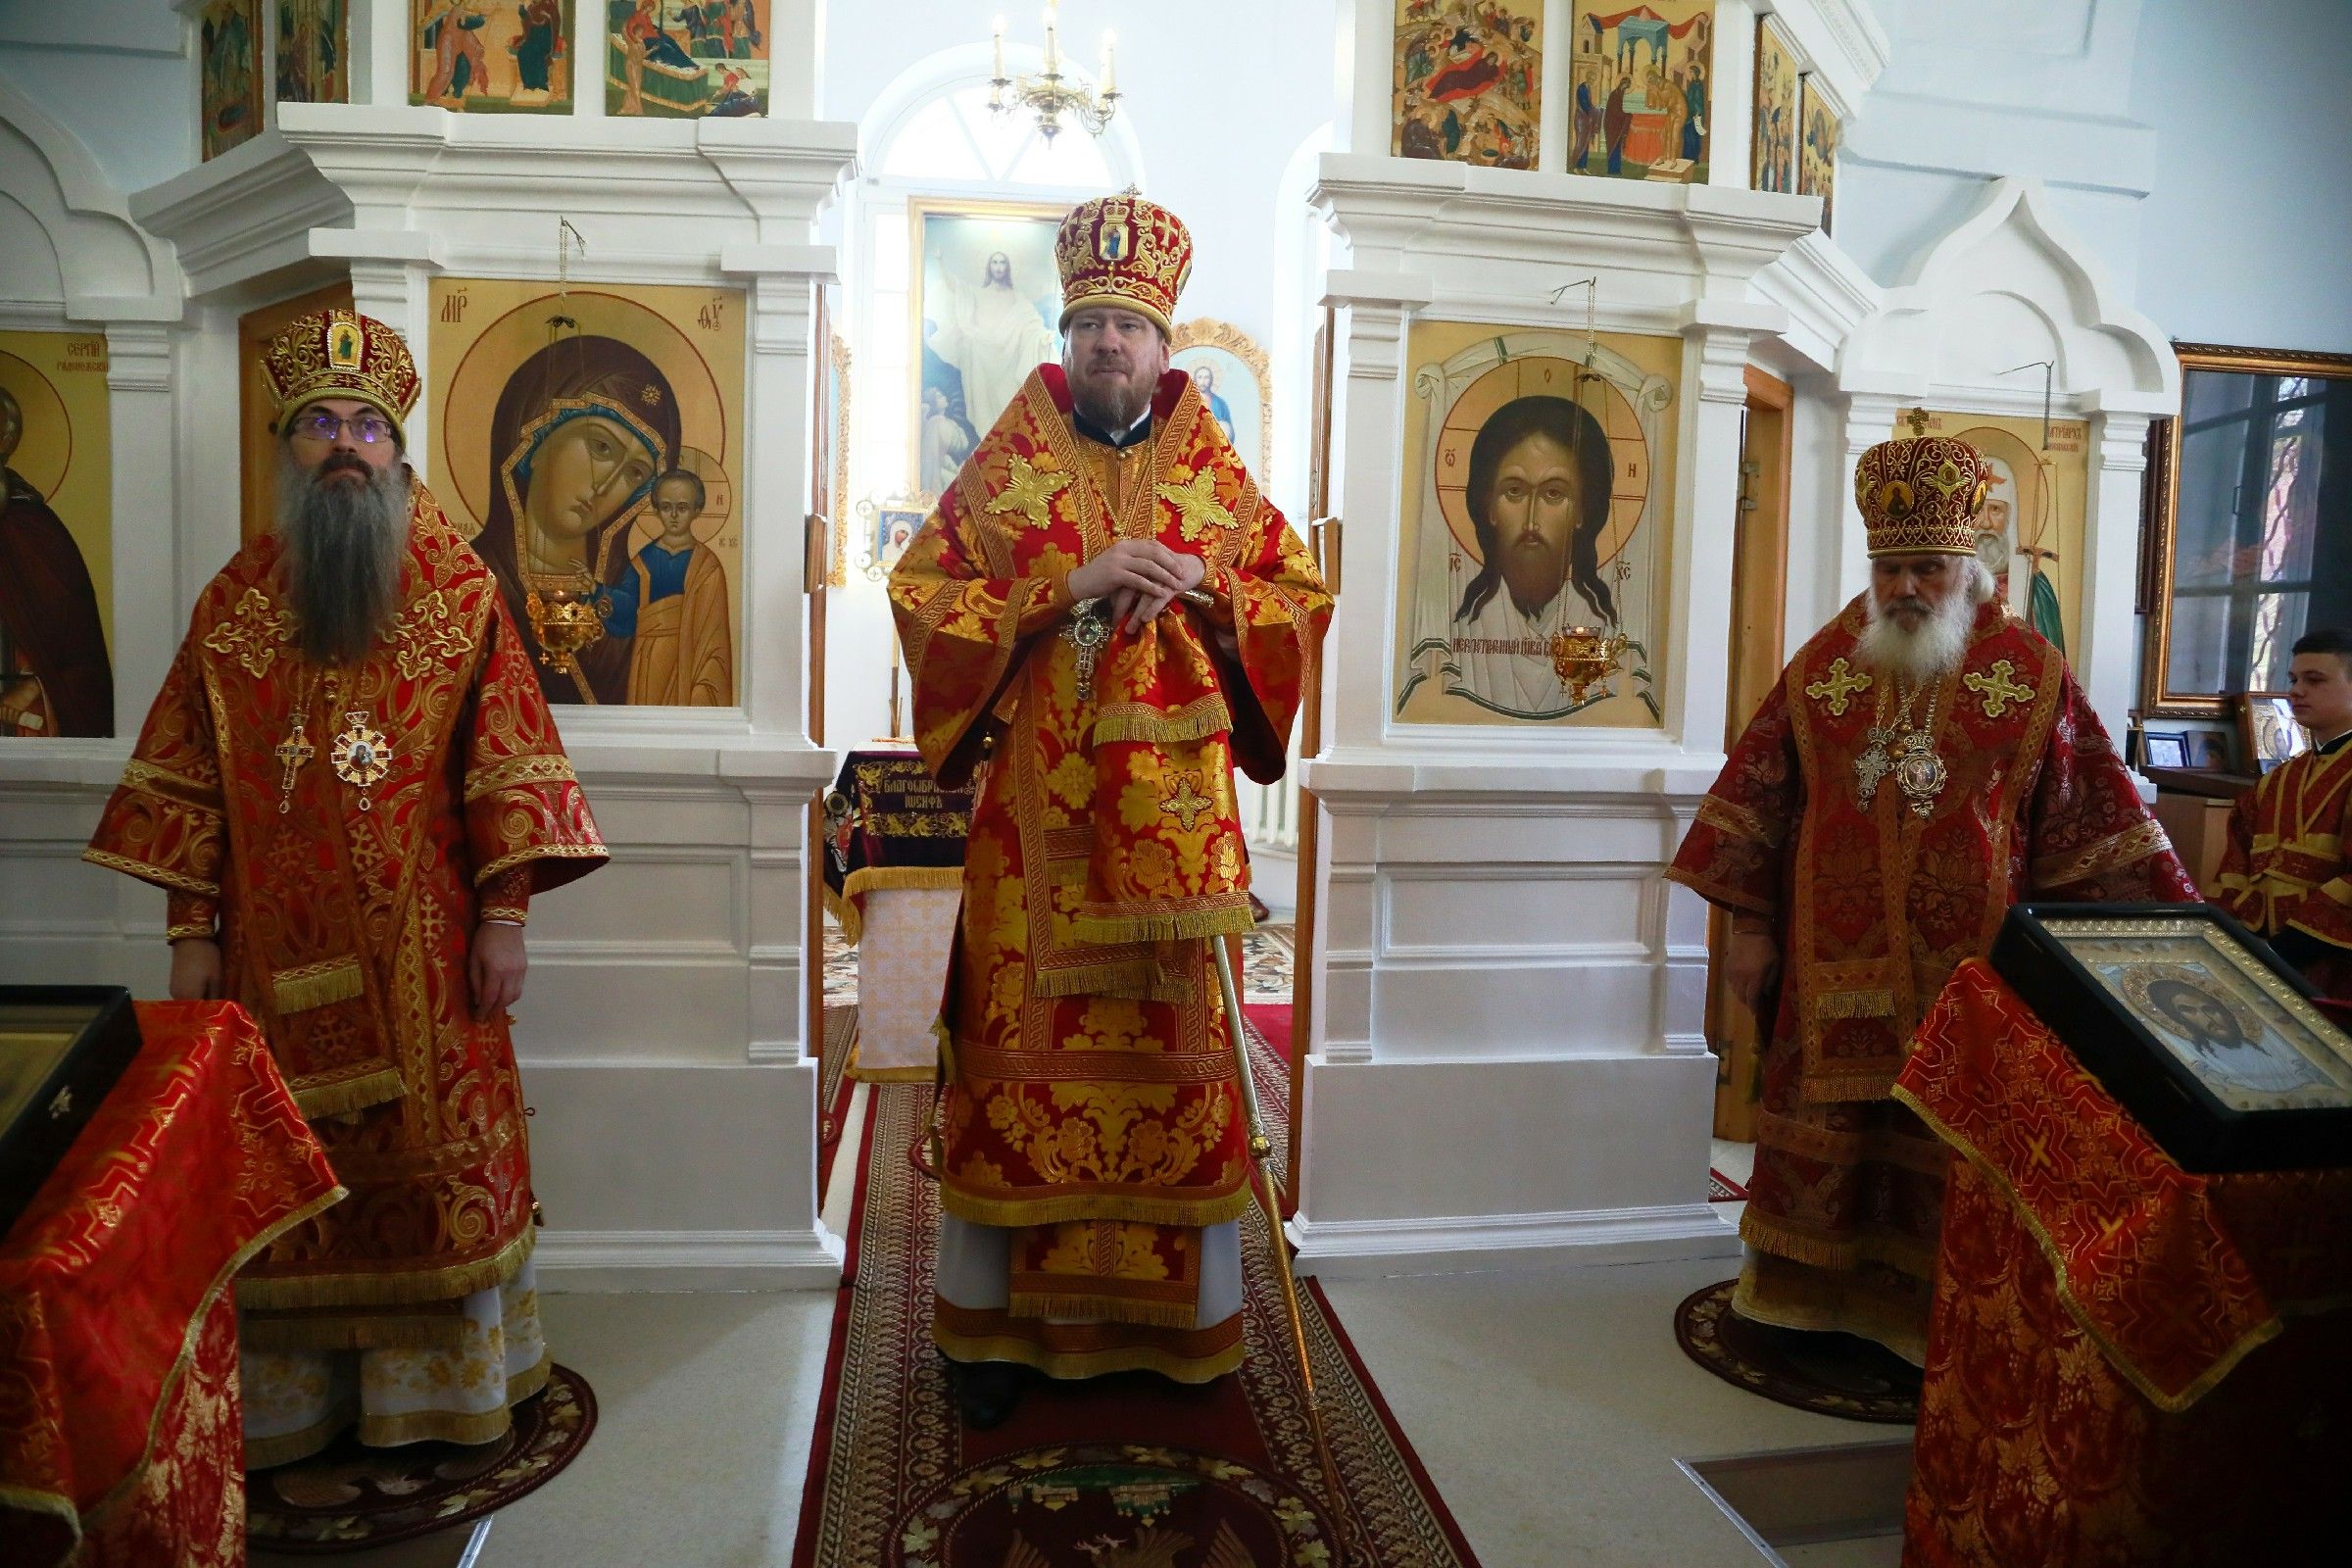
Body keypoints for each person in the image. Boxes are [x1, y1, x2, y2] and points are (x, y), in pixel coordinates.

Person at [85, 309, 607, 1466]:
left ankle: (442, 1397)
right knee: (284, 1179)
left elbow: (508, 761)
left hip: (428, 957)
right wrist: (189, 929)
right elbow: (188, 773)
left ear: (397, 449)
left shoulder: (459, 590)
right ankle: (298, 1405)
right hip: (266, 960)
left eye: (366, 427)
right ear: (287, 446)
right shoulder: (234, 602)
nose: (343, 446)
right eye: (319, 423)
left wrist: (506, 916)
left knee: (428, 1167)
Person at [889, 194, 1332, 1428]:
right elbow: (924, 593)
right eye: (1088, 322)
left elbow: (1298, 593)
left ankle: (1174, 1329)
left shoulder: (1211, 473)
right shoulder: (1007, 463)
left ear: (1162, 342)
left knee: (1168, 1074)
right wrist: (1062, 584)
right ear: (1065, 333)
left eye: (1128, 326)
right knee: (1013, 1068)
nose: (1107, 344)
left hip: (1173, 863)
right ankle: (995, 1336)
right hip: (1030, 850)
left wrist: (1209, 582)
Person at [1668, 425, 2195, 1367]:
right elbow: (1758, 801)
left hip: (1977, 981)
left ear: (1971, 565)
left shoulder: (2031, 675)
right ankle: (1802, 1303)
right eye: (1891, 568)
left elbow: (2092, 825)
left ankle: (1930, 1328)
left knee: (1950, 1143)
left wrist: (2130, 959)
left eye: (1928, 568)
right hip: (1829, 971)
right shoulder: (1824, 666)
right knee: (1831, 1129)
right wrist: (1748, 929)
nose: (1907, 586)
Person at [1447, 393, 1617, 715]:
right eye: (1514, 491)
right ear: (1489, 507)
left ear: (1581, 511)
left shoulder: (1597, 622)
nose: (1531, 521)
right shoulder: (1465, 623)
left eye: (1554, 493)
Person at [2217, 627, 2352, 996]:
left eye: (2314, 680)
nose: (2296, 691)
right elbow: (2237, 862)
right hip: (2263, 951)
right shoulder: (2278, 779)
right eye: (2294, 679)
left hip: (2334, 962)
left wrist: (2288, 947)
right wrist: (2234, 935)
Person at [0, 384, 113, 736]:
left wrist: (34, 685)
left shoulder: (36, 529)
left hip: (20, 716)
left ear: (5, 441)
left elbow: (78, 647)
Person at [605, 466, 734, 705]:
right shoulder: (644, 560)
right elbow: (627, 607)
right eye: (666, 507)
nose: (674, 515)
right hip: (649, 663)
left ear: (697, 510)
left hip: (691, 659)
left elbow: (714, 635)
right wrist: (598, 594)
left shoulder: (708, 566)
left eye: (682, 508)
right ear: (655, 510)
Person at [926, 249, 1061, 439]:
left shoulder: (1017, 297)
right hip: (982, 358)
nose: (998, 267)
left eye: (1002, 262)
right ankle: (987, 442)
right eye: (994, 262)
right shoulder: (977, 294)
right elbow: (953, 287)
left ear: (1008, 267)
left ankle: (1009, 439)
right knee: (973, 349)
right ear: (989, 267)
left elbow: (1032, 323)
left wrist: (1042, 337)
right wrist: (940, 261)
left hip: (1009, 362)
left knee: (1009, 405)